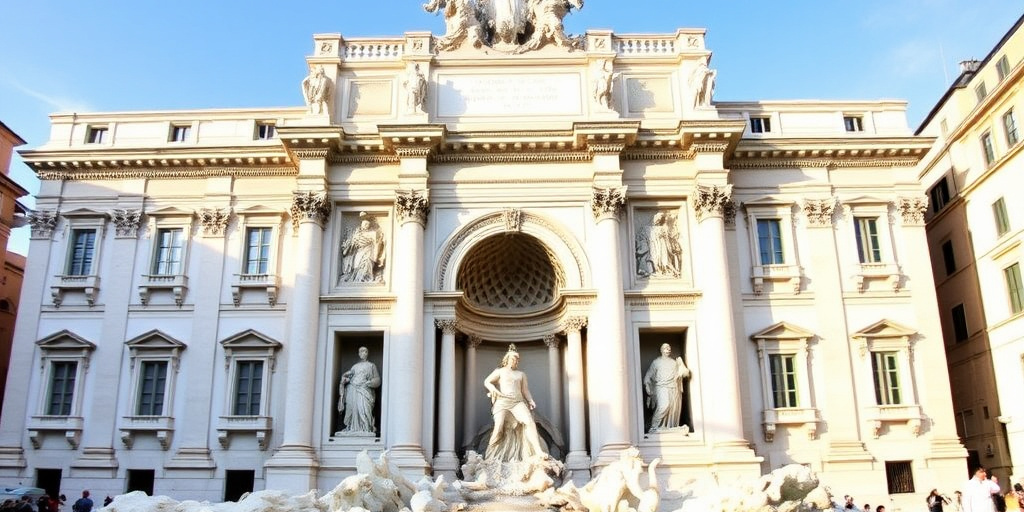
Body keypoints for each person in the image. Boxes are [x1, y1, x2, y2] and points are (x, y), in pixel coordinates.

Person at [483, 344, 545, 462]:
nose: (515, 361)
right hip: (502, 402)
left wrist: (530, 400)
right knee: (498, 426)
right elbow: (487, 381)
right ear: (507, 359)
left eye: (517, 359)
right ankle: (489, 456)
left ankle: (538, 450)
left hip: (518, 402)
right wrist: (494, 390)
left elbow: (525, 390)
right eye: (513, 358)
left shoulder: (521, 374)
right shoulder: (500, 371)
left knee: (529, 422)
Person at [643, 343, 690, 432]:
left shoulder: (674, 362)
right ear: (661, 350)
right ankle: (654, 426)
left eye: (669, 348)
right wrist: (647, 383)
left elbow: (685, 374)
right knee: (664, 405)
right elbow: (649, 375)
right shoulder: (656, 362)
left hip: (673, 387)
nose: (668, 349)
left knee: (672, 409)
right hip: (661, 387)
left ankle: (667, 427)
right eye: (665, 348)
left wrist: (681, 364)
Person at [337, 346, 382, 434]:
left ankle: (365, 428)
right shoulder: (355, 366)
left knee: (363, 409)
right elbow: (351, 377)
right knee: (352, 408)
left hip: (364, 390)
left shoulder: (371, 365)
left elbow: (377, 379)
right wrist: (345, 380)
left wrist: (370, 383)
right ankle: (351, 427)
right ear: (358, 354)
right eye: (361, 351)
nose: (363, 353)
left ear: (367, 353)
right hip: (353, 389)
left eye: (365, 351)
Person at [340, 212, 386, 283]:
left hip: (368, 252)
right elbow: (352, 246)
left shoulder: (372, 233)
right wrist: (352, 243)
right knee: (357, 266)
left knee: (366, 265)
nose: (366, 226)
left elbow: (376, 244)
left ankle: (364, 279)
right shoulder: (357, 234)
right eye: (365, 224)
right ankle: (358, 280)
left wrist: (379, 242)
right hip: (359, 253)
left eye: (368, 224)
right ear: (361, 224)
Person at [648, 212, 683, 278]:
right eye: (657, 220)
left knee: (666, 258)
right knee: (658, 257)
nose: (658, 221)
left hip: (663, 244)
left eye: (659, 220)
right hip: (657, 245)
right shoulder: (652, 229)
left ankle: (671, 270)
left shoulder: (663, 228)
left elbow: (669, 236)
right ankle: (659, 270)